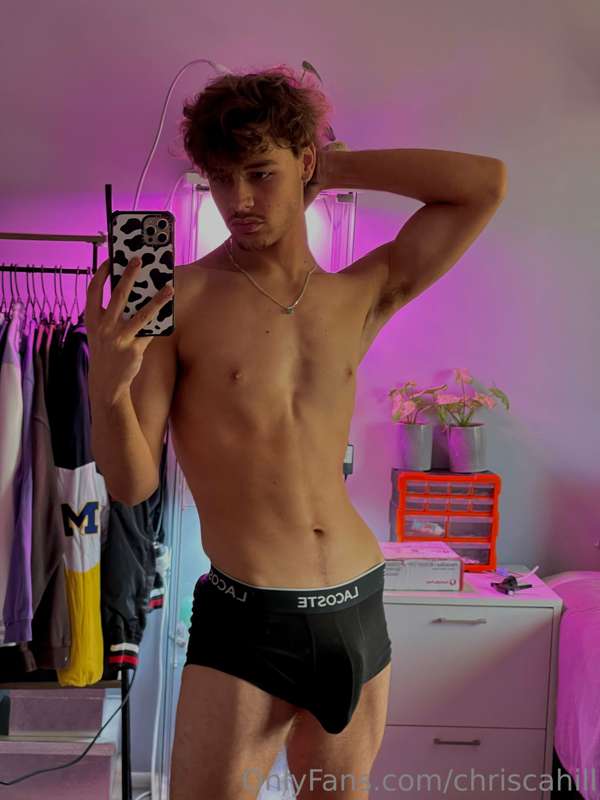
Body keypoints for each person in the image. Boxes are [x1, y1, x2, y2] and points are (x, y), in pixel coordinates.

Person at [85, 67, 506, 799]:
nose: (239, 201)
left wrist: (331, 166)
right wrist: (108, 387)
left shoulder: (358, 294)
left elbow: (483, 185)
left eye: (261, 173)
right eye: (222, 179)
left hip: (356, 606)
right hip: (247, 619)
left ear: (304, 163)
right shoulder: (179, 298)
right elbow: (130, 483)